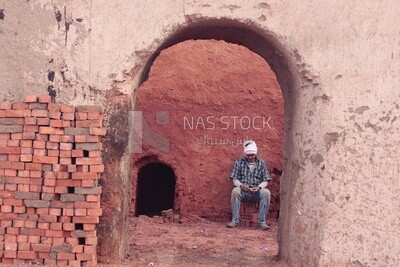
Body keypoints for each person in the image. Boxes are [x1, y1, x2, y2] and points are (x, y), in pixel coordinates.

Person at [227, 140, 271, 230]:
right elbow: (234, 179)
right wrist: (241, 186)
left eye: (252, 155)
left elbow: (266, 180)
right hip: (243, 191)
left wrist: (259, 187)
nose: (250, 157)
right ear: (245, 154)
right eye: (248, 155)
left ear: (255, 154)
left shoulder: (261, 163)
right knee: (235, 191)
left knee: (266, 192)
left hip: (256, 192)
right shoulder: (239, 162)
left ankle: (261, 222)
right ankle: (235, 221)